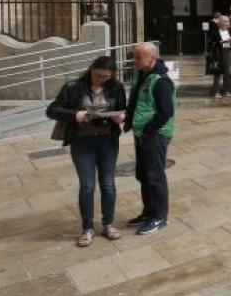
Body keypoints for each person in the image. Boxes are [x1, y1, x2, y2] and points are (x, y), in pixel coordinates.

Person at [46, 56, 127, 246]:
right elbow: (52, 110)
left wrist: (120, 117)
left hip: (108, 140)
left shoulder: (116, 87)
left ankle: (108, 224)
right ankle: (87, 228)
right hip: (82, 142)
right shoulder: (73, 87)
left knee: (108, 183)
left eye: (106, 77)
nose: (101, 80)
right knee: (87, 185)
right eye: (98, 75)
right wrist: (76, 115)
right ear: (91, 69)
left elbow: (124, 109)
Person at [123, 42, 176, 235]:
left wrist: (148, 130)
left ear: (152, 58)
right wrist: (129, 121)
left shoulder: (160, 80)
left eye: (138, 57)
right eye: (134, 56)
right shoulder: (142, 75)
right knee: (143, 174)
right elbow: (136, 100)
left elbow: (166, 111)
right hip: (143, 133)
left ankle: (160, 217)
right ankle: (148, 212)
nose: (134, 60)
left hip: (155, 134)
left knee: (155, 176)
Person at [209, 17, 231, 98]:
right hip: (217, 53)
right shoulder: (214, 31)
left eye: (228, 21)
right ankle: (216, 92)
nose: (227, 23)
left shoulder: (230, 31)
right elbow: (214, 43)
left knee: (228, 72)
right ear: (220, 23)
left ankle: (226, 91)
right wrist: (227, 40)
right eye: (225, 21)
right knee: (217, 72)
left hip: (228, 52)